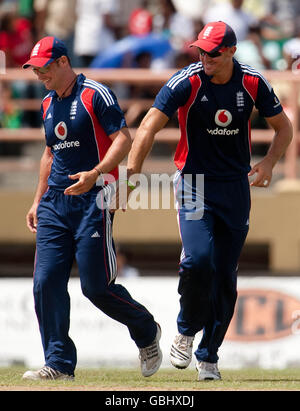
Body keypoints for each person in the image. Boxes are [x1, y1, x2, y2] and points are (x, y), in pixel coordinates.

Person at [123, 21, 292, 381]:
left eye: (212, 52)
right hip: (194, 183)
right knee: (199, 260)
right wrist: (132, 173)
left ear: (231, 51)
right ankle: (186, 329)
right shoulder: (187, 80)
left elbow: (285, 128)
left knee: (225, 277)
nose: (204, 58)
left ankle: (209, 356)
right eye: (199, 50)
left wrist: (268, 163)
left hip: (235, 186)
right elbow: (150, 125)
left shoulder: (252, 82)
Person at [21, 36, 162, 380]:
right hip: (56, 202)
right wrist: (38, 199)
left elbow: (123, 139)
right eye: (35, 68)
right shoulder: (47, 104)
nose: (39, 73)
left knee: (96, 287)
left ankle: (145, 330)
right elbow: (49, 154)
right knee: (45, 282)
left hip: (94, 198)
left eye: (44, 67)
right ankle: (58, 363)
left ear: (64, 62)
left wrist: (96, 174)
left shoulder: (94, 94)